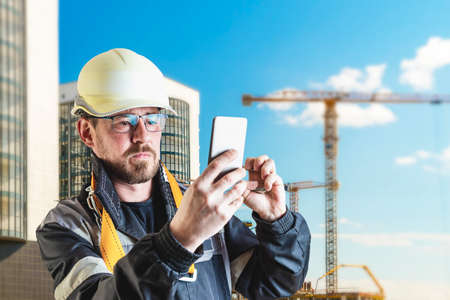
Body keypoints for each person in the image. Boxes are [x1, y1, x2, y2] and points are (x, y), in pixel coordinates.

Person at [36, 48, 311, 300]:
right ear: (87, 133)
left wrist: (278, 223)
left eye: (152, 120)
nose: (142, 136)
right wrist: (179, 241)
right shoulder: (67, 225)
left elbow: (273, 284)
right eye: (123, 122)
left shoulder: (201, 204)